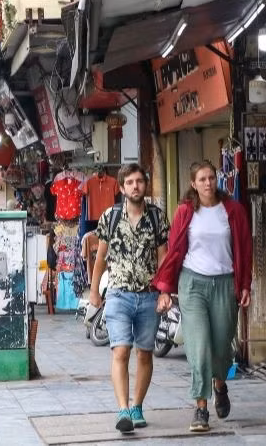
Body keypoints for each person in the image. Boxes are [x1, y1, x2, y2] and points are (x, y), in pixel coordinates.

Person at [152, 161, 253, 432]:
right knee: (199, 347)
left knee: (221, 347)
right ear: (193, 184)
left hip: (225, 284)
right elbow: (174, 251)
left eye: (211, 177)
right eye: (202, 179)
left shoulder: (233, 210)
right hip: (192, 284)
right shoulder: (185, 211)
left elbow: (245, 248)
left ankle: (220, 384)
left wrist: (245, 284)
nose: (208, 183)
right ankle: (200, 408)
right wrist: (165, 289)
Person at [89, 164, 169, 433]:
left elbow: (164, 258)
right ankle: (123, 409)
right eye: (130, 182)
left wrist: (165, 291)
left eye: (140, 181)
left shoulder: (157, 217)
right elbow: (101, 257)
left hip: (149, 296)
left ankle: (137, 406)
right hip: (118, 294)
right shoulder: (110, 217)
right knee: (121, 350)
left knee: (144, 354)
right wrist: (93, 291)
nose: (136, 186)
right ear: (122, 188)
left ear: (145, 185)